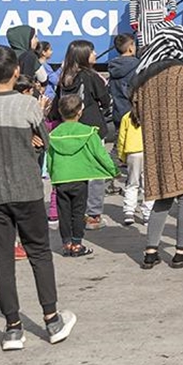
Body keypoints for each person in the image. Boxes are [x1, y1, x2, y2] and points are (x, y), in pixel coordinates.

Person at [0, 45, 75, 350]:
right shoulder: (27, 104)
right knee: (39, 253)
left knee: (3, 259)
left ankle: (13, 328)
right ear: (16, 72)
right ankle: (52, 319)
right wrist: (32, 140)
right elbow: (45, 140)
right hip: (26, 188)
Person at [130, 24, 183, 271]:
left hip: (156, 145)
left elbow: (136, 113)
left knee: (162, 197)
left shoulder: (143, 76)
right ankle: (181, 252)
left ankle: (150, 251)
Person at [47, 95, 118, 257]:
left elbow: (50, 159)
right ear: (80, 111)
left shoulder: (54, 134)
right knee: (78, 212)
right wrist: (114, 170)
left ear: (60, 111)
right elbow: (100, 154)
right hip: (80, 178)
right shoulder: (88, 132)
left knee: (63, 212)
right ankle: (77, 243)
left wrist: (52, 175)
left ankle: (66, 243)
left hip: (61, 178)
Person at [55, 40, 113, 230]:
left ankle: (75, 213)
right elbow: (105, 100)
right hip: (92, 129)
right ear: (83, 55)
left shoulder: (64, 77)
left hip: (70, 129)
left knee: (76, 174)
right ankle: (93, 215)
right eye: (92, 52)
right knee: (96, 172)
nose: (95, 54)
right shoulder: (90, 76)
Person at [115, 106, 149, 226]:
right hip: (147, 151)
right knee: (148, 184)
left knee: (132, 183)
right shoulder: (149, 114)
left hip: (132, 152)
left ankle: (129, 211)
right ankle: (147, 213)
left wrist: (121, 155)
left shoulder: (126, 117)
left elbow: (121, 138)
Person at [108, 33, 140, 130]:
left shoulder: (113, 66)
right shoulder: (137, 65)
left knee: (120, 140)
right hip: (133, 113)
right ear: (130, 48)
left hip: (118, 112)